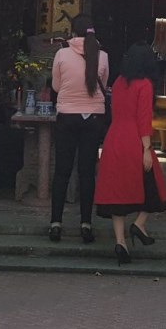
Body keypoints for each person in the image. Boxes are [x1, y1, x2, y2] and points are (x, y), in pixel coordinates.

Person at [94, 43, 166, 264]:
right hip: (134, 139)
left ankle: (120, 242)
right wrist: (146, 148)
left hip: (114, 137)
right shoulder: (144, 85)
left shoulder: (118, 82)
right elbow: (144, 119)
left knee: (117, 193)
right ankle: (139, 224)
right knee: (154, 187)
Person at [48, 13, 108, 244]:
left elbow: (56, 86)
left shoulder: (61, 54)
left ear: (73, 31)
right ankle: (86, 224)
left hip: (67, 116)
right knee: (87, 172)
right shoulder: (102, 56)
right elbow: (103, 84)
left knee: (62, 171)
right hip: (93, 118)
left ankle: (56, 223)